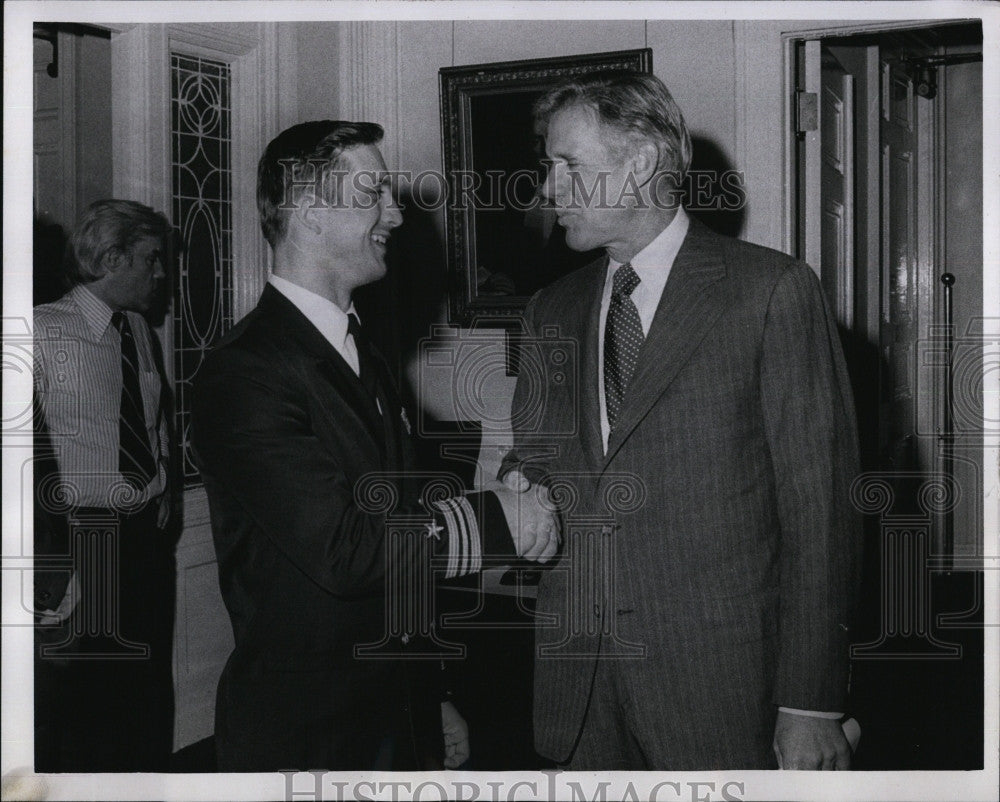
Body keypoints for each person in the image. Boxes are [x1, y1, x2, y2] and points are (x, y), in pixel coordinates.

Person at [500, 74, 862, 770]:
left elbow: (822, 514)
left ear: (639, 165)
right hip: (579, 687)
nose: (548, 188)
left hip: (720, 688)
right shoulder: (550, 309)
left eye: (568, 164)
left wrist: (811, 703)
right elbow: (536, 455)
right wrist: (522, 482)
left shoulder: (770, 291)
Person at [190, 120, 558, 771]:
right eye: (372, 196)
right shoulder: (245, 370)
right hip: (308, 736)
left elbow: (403, 529)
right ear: (308, 216)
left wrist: (432, 690)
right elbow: (347, 550)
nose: (395, 213)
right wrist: (503, 518)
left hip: (394, 711)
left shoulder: (365, 355)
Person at [33, 198, 175, 771]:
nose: (161, 273)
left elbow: (151, 419)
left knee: (145, 698)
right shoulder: (39, 332)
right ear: (112, 258)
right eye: (151, 259)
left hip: (144, 540)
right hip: (83, 542)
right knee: (87, 712)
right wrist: (50, 563)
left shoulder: (138, 328)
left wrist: (164, 484)